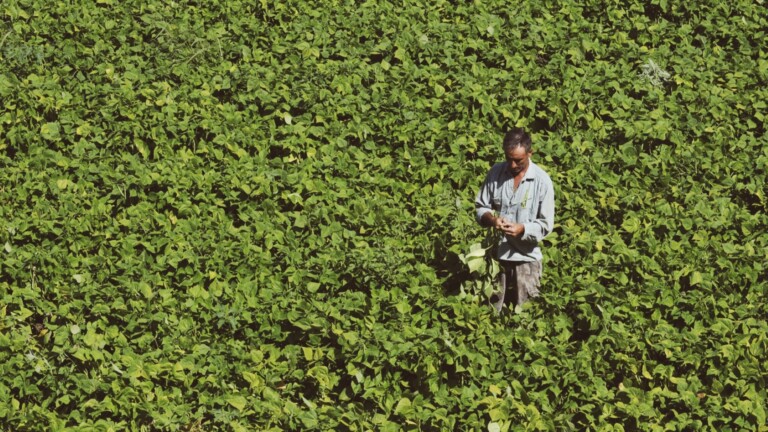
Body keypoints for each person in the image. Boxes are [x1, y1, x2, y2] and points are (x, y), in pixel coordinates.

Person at [475, 128, 555, 312]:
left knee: (527, 313)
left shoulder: (542, 182)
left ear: (529, 153)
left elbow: (545, 225)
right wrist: (492, 220)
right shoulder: (496, 172)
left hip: (526, 258)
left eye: (518, 160)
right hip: (495, 257)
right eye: (508, 158)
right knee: (489, 311)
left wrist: (523, 229)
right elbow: (481, 207)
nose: (512, 165)